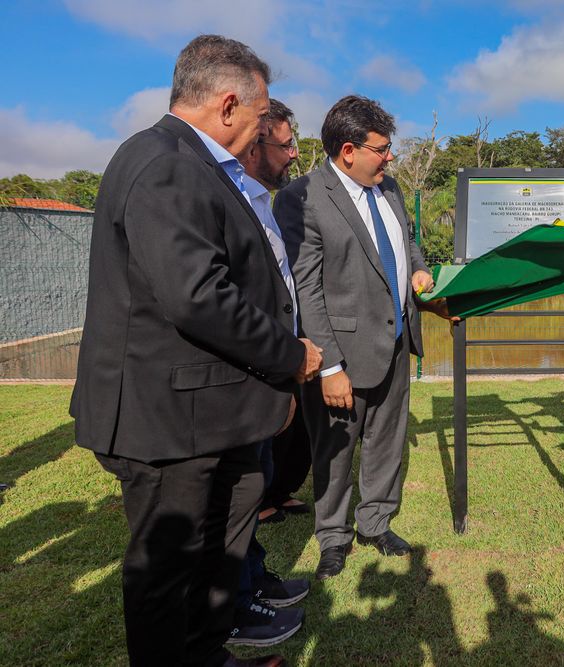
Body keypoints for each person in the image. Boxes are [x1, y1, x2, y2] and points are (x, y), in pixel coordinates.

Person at [70, 35, 322, 667]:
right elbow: (197, 297)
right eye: (265, 115)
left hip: (210, 413)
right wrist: (290, 356)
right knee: (169, 572)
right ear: (230, 104)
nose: (268, 128)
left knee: (218, 552)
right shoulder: (166, 163)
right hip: (167, 421)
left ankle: (210, 654)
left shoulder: (200, 165)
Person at [274, 95, 440, 580]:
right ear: (349, 150)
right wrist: (329, 367)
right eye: (382, 149)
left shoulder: (388, 191)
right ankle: (333, 537)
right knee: (334, 450)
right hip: (340, 356)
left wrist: (421, 270)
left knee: (387, 443)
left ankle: (375, 522)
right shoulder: (302, 197)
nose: (390, 158)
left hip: (395, 342)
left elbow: (407, 243)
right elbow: (305, 288)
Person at [227, 99, 310, 648]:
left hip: (268, 373)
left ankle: (254, 582)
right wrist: (287, 355)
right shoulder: (223, 196)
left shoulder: (260, 200)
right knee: (231, 504)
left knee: (251, 490)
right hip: (241, 379)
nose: (294, 154)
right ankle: (237, 610)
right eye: (285, 144)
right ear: (253, 145)